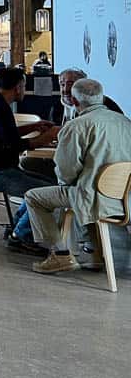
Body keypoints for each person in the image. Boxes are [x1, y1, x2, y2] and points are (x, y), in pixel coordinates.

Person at [24, 79, 131, 275]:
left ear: (73, 101)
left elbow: (66, 170)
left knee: (34, 197)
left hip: (94, 197)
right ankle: (96, 254)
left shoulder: (76, 126)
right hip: (125, 198)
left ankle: (60, 254)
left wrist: (70, 185)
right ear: (102, 97)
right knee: (84, 190)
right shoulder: (125, 122)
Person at [0, 67, 60, 253]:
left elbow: (4, 135)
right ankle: (20, 236)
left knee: (49, 185)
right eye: (24, 86)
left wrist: (34, 126)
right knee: (48, 193)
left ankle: (16, 227)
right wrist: (45, 138)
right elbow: (13, 145)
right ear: (18, 87)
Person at [51, 68, 124, 125]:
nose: (65, 89)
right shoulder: (56, 107)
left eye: (71, 84)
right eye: (62, 84)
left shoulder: (103, 103)